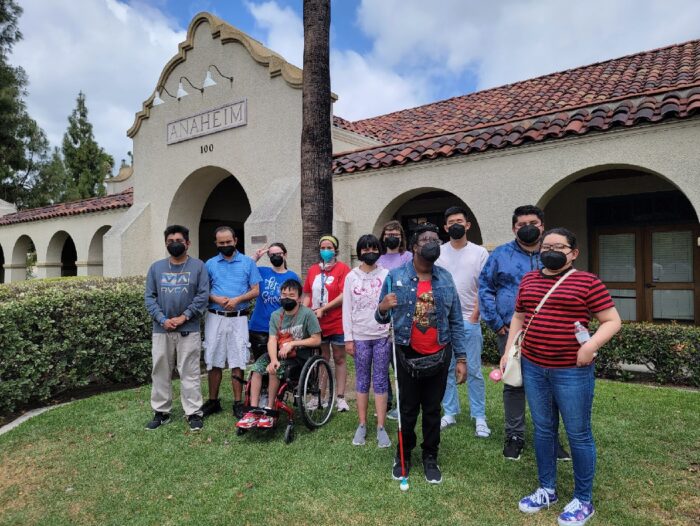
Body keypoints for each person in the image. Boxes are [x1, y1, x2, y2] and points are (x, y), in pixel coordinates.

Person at [501, 228, 621, 526]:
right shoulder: (528, 280)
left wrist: (591, 345)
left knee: (578, 433)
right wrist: (508, 351)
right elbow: (519, 316)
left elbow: (612, 320)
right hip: (533, 367)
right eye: (547, 246)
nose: (551, 250)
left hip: (572, 371)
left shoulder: (587, 282)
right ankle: (547, 489)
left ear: (573, 253)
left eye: (559, 246)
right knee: (543, 430)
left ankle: (583, 499)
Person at [376, 223, 468, 485]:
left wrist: (461, 358)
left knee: (431, 409)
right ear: (415, 246)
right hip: (406, 353)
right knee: (407, 409)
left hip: (439, 353)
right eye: (426, 239)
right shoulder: (394, 276)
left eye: (436, 240)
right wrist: (383, 307)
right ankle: (403, 455)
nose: (433, 243)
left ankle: (430, 456)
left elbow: (456, 321)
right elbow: (380, 317)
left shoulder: (446, 278)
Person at [479, 205, 571, 461]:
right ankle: (514, 436)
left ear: (542, 225)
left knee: (549, 385)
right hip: (510, 332)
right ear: (513, 228)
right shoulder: (499, 255)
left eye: (533, 222)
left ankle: (551, 439)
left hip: (548, 332)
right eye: (521, 224)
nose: (528, 227)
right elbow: (485, 288)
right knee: (514, 383)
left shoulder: (555, 254)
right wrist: (497, 324)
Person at [144, 224, 209, 432]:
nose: (174, 245)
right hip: (161, 329)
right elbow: (149, 297)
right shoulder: (156, 268)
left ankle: (193, 413)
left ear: (188, 243)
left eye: (179, 241)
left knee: (189, 371)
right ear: (166, 244)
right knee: (160, 370)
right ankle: (161, 412)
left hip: (188, 328)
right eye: (170, 242)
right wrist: (163, 319)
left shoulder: (199, 267)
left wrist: (184, 316)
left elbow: (202, 295)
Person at [435, 206, 491, 438]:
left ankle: (479, 416)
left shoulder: (480, 253)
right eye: (451, 222)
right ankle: (449, 411)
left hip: (469, 319)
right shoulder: (438, 252)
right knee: (446, 368)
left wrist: (474, 315)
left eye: (460, 220)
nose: (455, 224)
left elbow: (484, 287)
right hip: (443, 322)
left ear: (467, 225)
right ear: (446, 227)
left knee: (474, 369)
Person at [237, 279, 322, 428]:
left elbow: (316, 340)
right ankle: (253, 410)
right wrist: (274, 359)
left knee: (274, 371)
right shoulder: (276, 315)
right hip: (278, 354)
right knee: (257, 369)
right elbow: (272, 340)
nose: (286, 298)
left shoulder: (307, 314)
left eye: (291, 295)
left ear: (299, 298)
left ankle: (270, 410)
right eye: (283, 294)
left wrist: (293, 344)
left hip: (299, 357)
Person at [200, 226, 261, 419]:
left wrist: (238, 299)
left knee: (238, 360)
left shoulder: (247, 263)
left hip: (239, 317)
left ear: (235, 240)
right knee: (213, 358)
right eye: (221, 243)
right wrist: (216, 298)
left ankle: (237, 403)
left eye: (228, 241)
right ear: (216, 244)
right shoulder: (209, 264)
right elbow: (203, 291)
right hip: (215, 316)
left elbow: (256, 290)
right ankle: (213, 401)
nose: (225, 245)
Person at [343, 234, 391, 448]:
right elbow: (346, 309)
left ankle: (381, 426)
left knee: (380, 381)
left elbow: (391, 304)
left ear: (379, 250)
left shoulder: (387, 275)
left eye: (373, 248)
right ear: (359, 252)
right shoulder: (351, 276)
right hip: (360, 337)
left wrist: (391, 330)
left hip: (382, 336)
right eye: (365, 249)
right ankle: (362, 424)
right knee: (362, 381)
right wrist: (348, 338)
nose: (369, 252)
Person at [302, 234, 351, 411]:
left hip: (337, 320)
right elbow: (307, 294)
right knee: (322, 357)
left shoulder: (343, 269)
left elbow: (344, 294)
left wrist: (325, 308)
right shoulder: (313, 269)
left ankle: (340, 397)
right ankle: (319, 397)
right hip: (317, 322)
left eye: (329, 248)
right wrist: (304, 311)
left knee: (339, 357)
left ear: (335, 250)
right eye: (323, 248)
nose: (326, 251)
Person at [377, 220, 412, 420]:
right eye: (388, 232)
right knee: (383, 362)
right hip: (382, 316)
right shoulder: (379, 259)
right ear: (383, 237)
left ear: (401, 237)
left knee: (399, 364)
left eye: (396, 233)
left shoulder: (407, 257)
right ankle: (387, 400)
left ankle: (403, 402)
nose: (392, 236)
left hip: (401, 317)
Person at [249, 243, 301, 362]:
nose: (275, 257)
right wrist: (255, 258)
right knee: (261, 365)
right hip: (259, 328)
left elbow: (297, 302)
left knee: (279, 364)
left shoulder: (292, 276)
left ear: (285, 255)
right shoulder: (261, 271)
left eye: (278, 254)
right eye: (272, 255)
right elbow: (244, 269)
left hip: (281, 328)